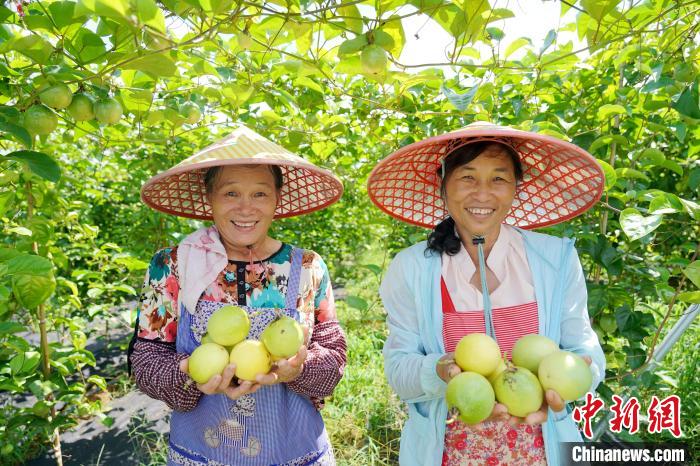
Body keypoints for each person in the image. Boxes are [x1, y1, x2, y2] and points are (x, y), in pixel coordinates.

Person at [367, 122, 606, 465]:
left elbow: (585, 350)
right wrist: (439, 369)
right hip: (449, 452)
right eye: (467, 177)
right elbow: (399, 370)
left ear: (515, 188)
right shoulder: (412, 268)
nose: (482, 193)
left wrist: (574, 381)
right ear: (443, 186)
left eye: (498, 178)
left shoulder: (555, 259)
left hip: (542, 447)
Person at [128, 126, 347, 465]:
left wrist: (298, 371)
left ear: (277, 199)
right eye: (230, 193)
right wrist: (190, 375)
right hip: (201, 455)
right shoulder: (173, 266)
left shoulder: (306, 267)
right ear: (209, 198)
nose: (246, 208)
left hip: (296, 453)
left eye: (260, 194)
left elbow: (333, 358)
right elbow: (146, 360)